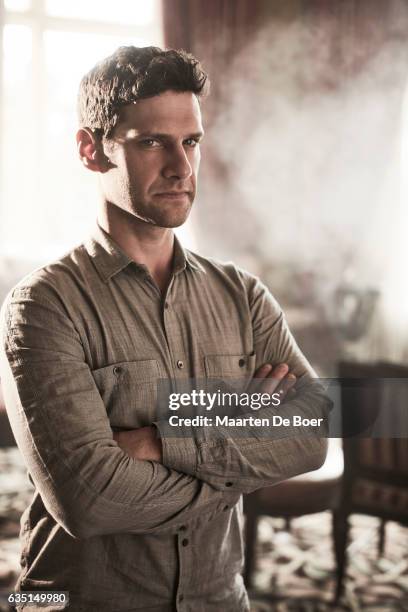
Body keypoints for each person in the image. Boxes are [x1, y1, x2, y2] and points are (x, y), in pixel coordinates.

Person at [0, 46, 330, 611]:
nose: (181, 166)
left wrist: (157, 441)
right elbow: (90, 501)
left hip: (220, 599)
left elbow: (312, 435)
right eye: (153, 141)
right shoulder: (43, 305)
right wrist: (241, 431)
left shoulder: (243, 295)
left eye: (192, 142)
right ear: (91, 150)